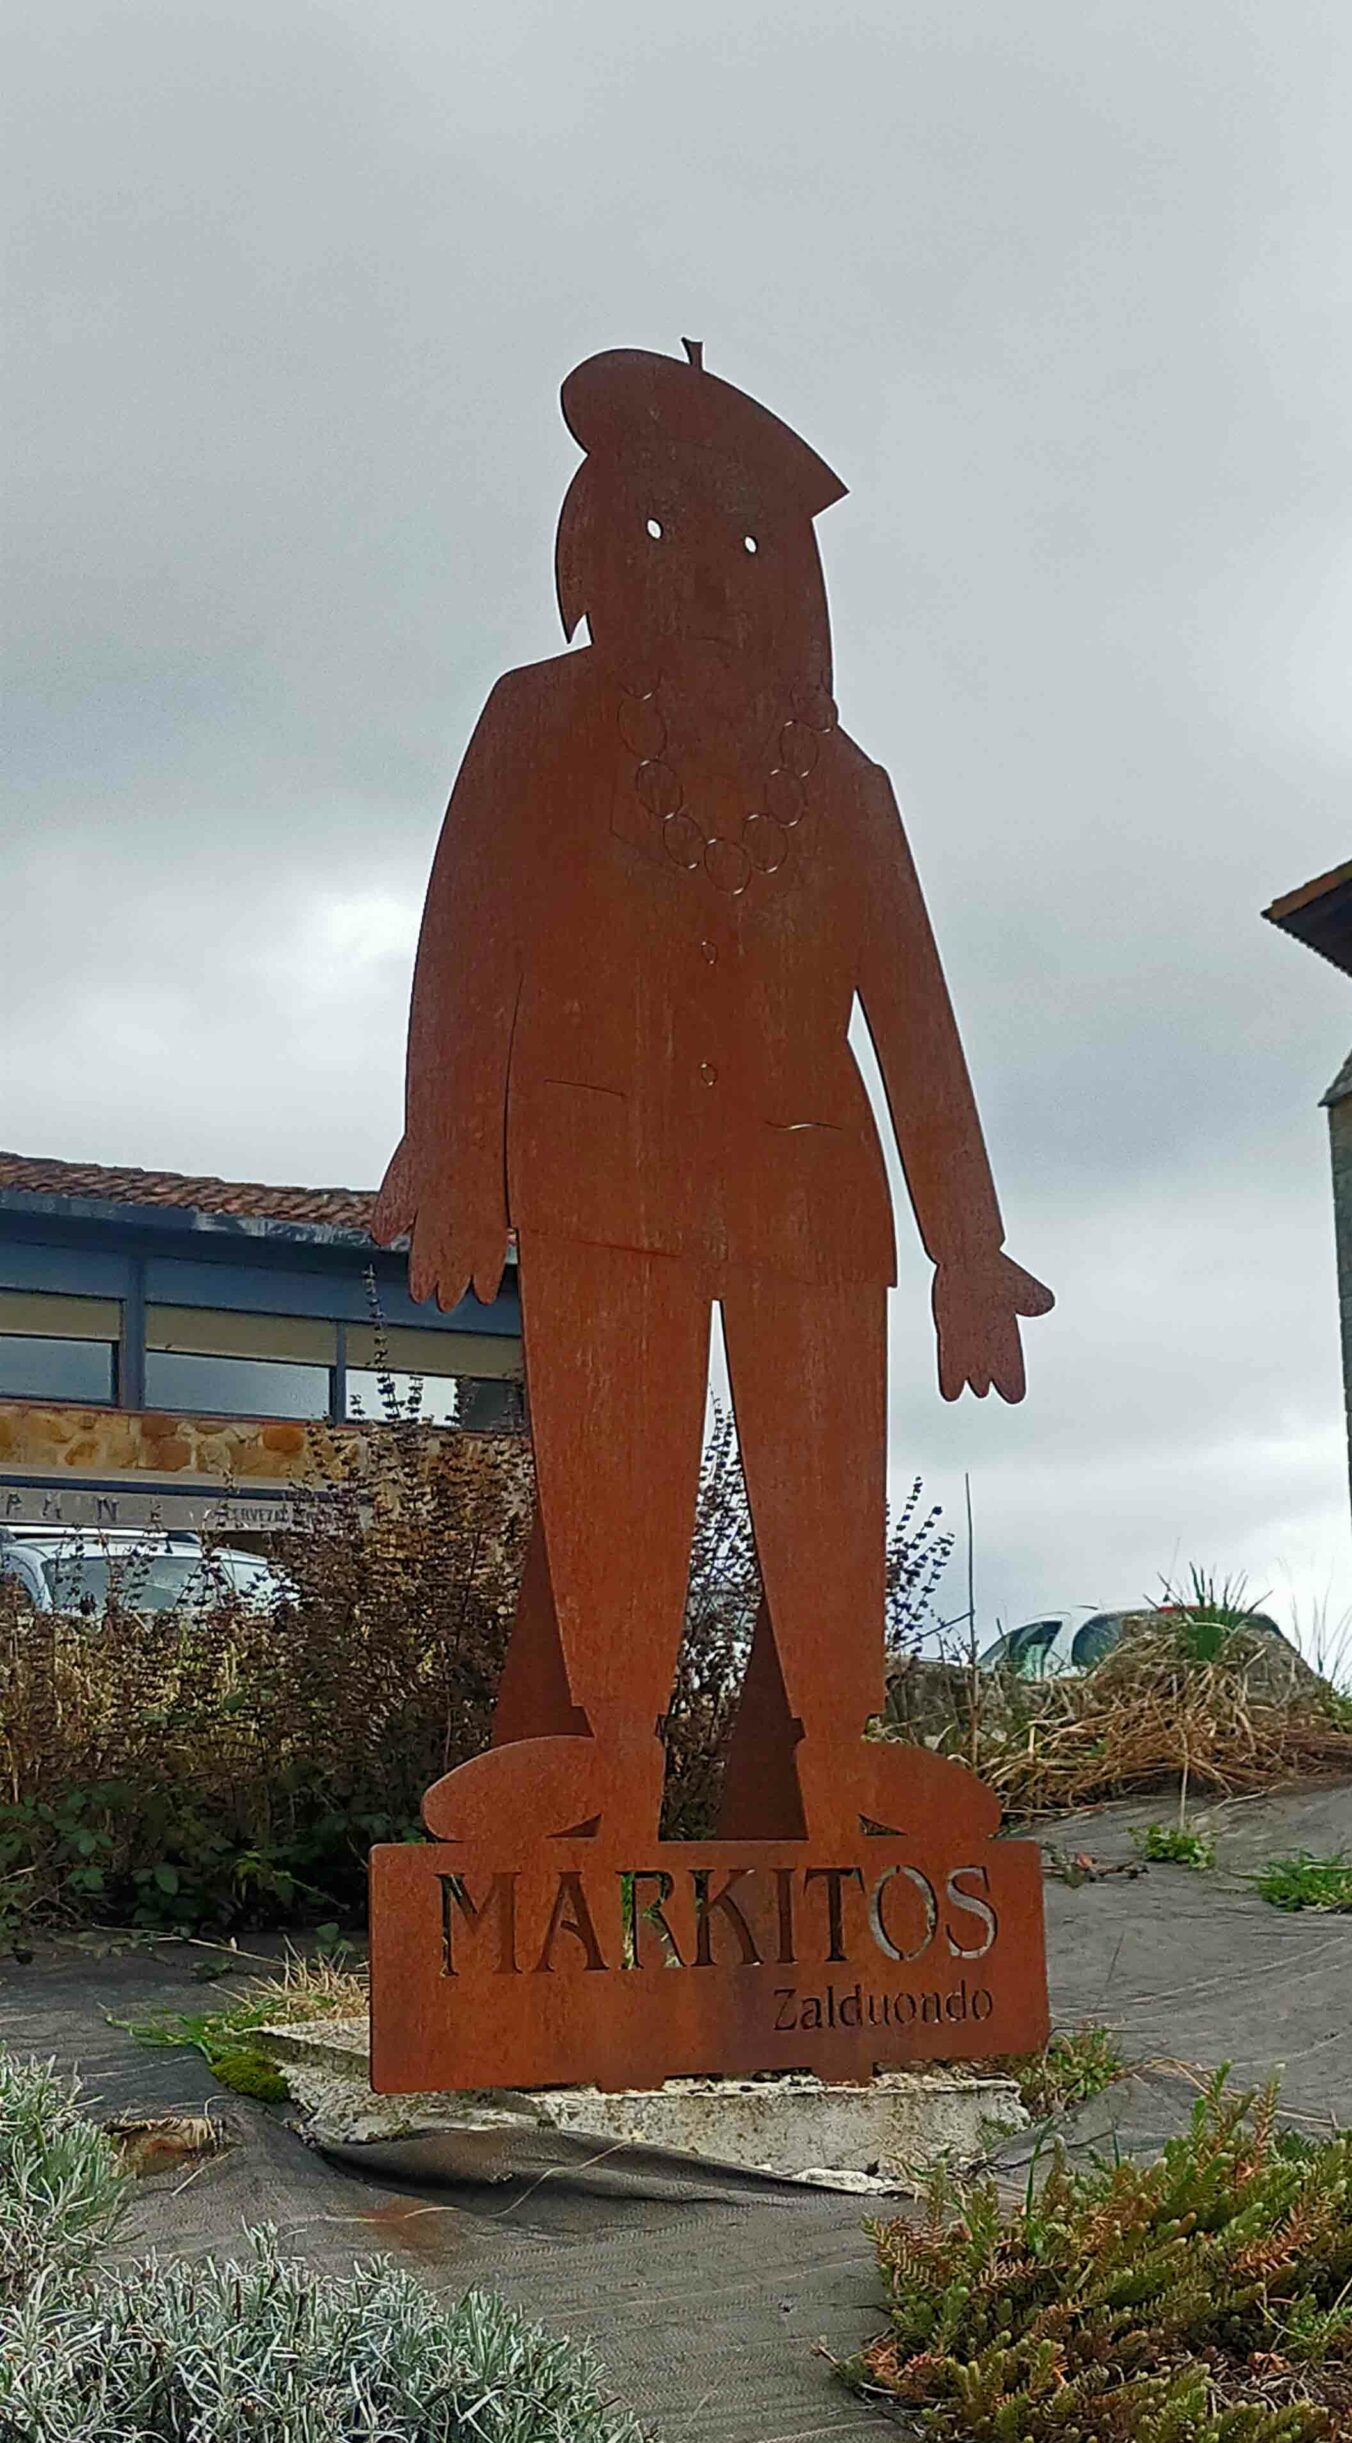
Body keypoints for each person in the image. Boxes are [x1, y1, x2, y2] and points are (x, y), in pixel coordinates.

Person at [372, 343, 1051, 1849]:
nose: (703, 573)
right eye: (662, 528)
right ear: (598, 546)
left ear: (794, 581)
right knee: (615, 1474)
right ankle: (601, 1760)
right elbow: (465, 952)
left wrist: (968, 1251)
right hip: (599, 1173)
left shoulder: (846, 784)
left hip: (812, 1190)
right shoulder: (540, 721)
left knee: (825, 1487)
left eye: (746, 543)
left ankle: (839, 1766)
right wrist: (456, 1161)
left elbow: (918, 1021)